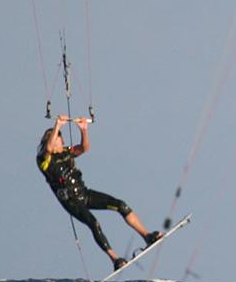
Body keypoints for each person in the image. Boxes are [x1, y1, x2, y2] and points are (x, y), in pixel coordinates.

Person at [37, 115, 161, 270]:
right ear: (53, 141)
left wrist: (84, 131)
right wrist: (57, 126)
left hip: (85, 194)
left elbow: (84, 148)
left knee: (121, 205)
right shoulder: (44, 160)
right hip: (71, 202)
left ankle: (147, 236)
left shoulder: (66, 152)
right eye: (59, 140)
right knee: (93, 223)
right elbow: (48, 149)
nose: (62, 142)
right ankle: (115, 259)